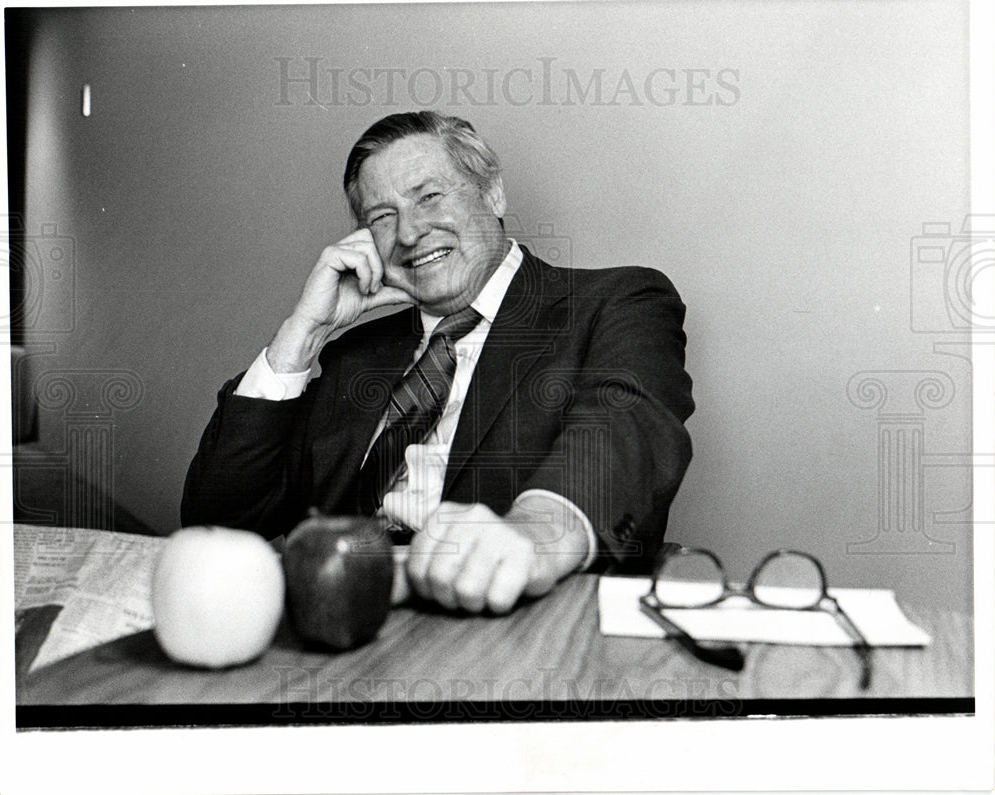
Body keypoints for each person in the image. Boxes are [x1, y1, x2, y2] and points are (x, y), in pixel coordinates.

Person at [182, 111, 694, 614]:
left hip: (506, 619)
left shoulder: (613, 303)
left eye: (429, 197)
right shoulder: (355, 356)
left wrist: (533, 533)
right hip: (346, 621)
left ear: (492, 193)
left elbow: (626, 430)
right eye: (382, 217)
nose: (409, 233)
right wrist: (303, 333)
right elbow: (220, 520)